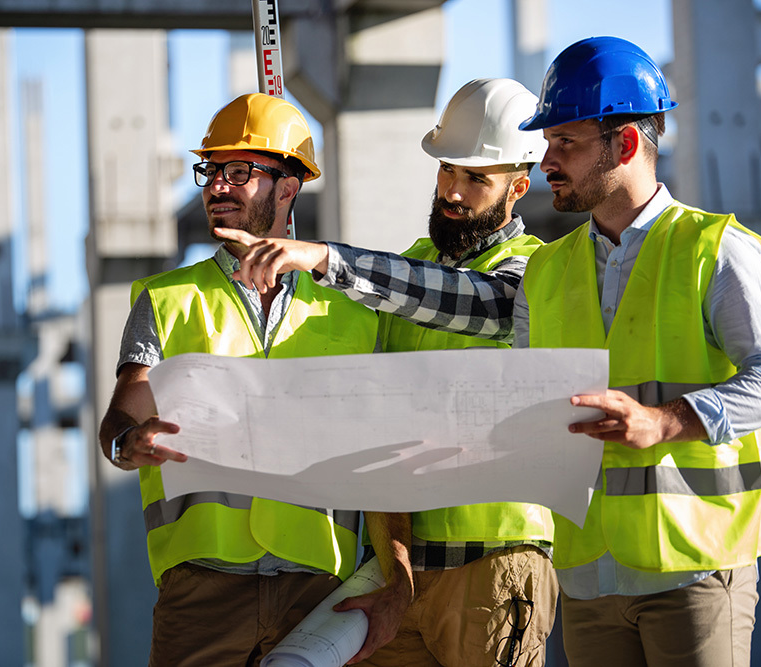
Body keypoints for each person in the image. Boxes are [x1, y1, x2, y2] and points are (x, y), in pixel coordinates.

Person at [216, 78, 560, 667]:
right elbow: (380, 432)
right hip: (400, 571)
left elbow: (475, 303)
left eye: (476, 179)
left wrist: (325, 259)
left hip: (495, 565)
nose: (452, 191)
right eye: (447, 170)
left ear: (519, 187)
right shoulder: (410, 271)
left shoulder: (537, 270)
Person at [513, 36, 761, 666]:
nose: (545, 163)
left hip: (695, 571)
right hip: (585, 578)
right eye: (546, 145)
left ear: (626, 144)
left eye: (565, 144)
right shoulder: (545, 272)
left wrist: (665, 421)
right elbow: (527, 404)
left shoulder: (715, 250)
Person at [97, 92, 391, 667]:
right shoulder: (166, 299)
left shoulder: (353, 313)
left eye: (238, 172)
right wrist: (127, 445)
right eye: (210, 171)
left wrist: (395, 576)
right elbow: (119, 423)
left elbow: (381, 458)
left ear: (288, 188)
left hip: (318, 587)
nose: (215, 187)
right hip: (201, 587)